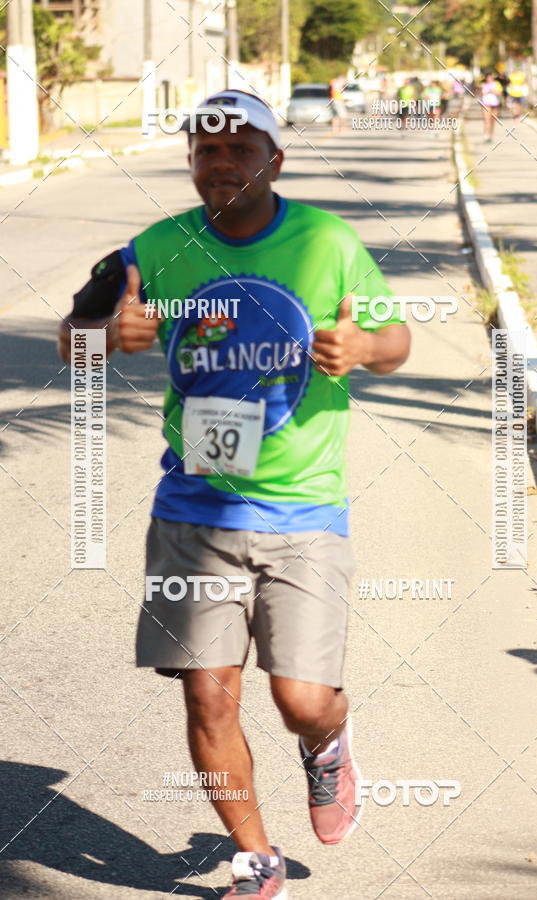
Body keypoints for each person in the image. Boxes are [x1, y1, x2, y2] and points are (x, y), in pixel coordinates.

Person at [57, 89, 411, 899]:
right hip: (192, 516)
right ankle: (256, 858)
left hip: (304, 512)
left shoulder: (327, 241)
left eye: (239, 149)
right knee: (209, 703)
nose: (221, 165)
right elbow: (70, 340)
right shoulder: (152, 249)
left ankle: (327, 744)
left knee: (302, 699)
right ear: (190, 161)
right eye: (206, 150)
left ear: (273, 160)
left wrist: (362, 345)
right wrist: (107, 337)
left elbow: (394, 338)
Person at [480, 72, 503, 142]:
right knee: (487, 120)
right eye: (488, 77)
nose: (490, 79)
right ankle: (486, 135)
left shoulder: (497, 84)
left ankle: (490, 135)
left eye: (491, 77)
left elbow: (500, 93)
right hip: (486, 104)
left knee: (493, 120)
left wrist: (493, 91)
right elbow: (480, 93)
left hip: (495, 104)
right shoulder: (483, 85)